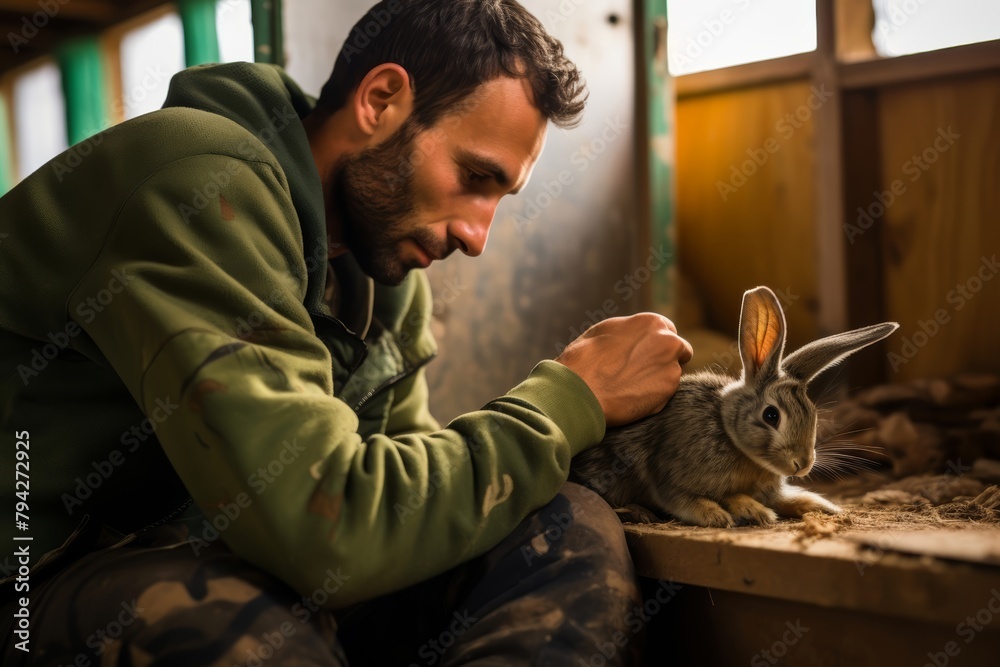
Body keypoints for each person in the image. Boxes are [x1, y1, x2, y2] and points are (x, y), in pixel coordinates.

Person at [0, 0, 692, 664]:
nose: (478, 236)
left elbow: (399, 508)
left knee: (563, 531)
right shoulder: (198, 182)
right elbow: (325, 533)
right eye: (473, 176)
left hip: (210, 552)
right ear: (381, 101)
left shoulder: (379, 280)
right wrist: (566, 401)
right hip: (31, 589)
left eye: (499, 199)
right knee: (236, 624)